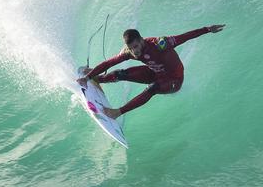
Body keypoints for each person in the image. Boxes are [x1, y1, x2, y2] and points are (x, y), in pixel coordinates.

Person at [77, 24, 226, 119]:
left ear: (142, 40)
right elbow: (110, 62)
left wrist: (207, 30)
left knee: (152, 88)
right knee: (121, 73)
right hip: (155, 73)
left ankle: (117, 112)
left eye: (136, 46)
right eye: (131, 48)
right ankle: (96, 78)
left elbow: (185, 37)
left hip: (174, 80)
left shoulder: (161, 44)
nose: (134, 51)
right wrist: (88, 77)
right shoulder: (130, 51)